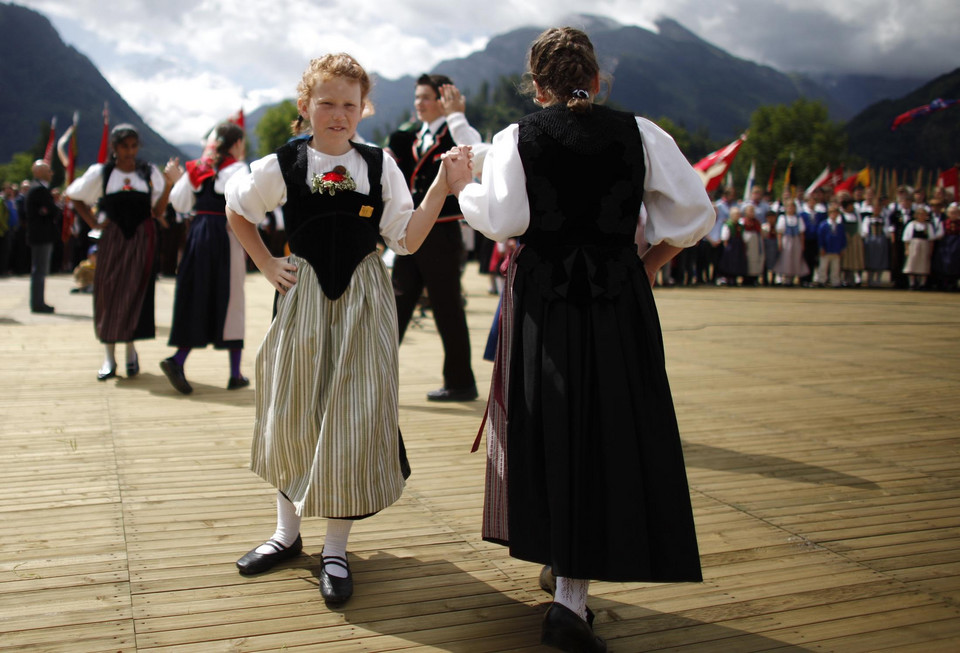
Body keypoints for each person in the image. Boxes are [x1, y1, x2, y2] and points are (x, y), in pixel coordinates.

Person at [455, 27, 710, 653]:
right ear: (596, 81)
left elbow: (505, 220)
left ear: (536, 87)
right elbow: (696, 214)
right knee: (610, 426)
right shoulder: (641, 132)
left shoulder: (519, 136)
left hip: (547, 302)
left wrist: (466, 187)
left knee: (556, 427)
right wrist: (644, 265)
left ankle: (567, 595)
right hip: (619, 301)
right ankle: (568, 582)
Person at [223, 53, 473, 607]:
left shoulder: (379, 165)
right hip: (303, 299)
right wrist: (265, 263)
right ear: (306, 106)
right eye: (327, 103)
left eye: (349, 104)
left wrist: (440, 188)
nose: (338, 114)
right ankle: (287, 535)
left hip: (363, 303)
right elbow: (236, 210)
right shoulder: (283, 164)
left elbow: (405, 239)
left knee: (352, 420)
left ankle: (335, 549)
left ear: (364, 108)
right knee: (291, 412)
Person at [387, 74, 483, 401]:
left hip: (442, 230)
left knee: (447, 308)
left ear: (443, 100)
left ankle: (460, 382)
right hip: (413, 227)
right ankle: (376, 376)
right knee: (397, 305)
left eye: (426, 97)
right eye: (417, 97)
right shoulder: (408, 137)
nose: (419, 103)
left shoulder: (452, 133)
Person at [66, 124, 182, 380]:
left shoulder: (147, 171)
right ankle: (109, 358)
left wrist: (169, 186)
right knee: (108, 292)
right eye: (124, 146)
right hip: (113, 239)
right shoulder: (102, 173)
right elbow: (74, 196)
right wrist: (94, 223)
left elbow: (159, 211)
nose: (129, 151)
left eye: (133, 146)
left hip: (142, 238)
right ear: (114, 148)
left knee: (135, 291)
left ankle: (130, 351)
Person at [161, 121, 250, 394]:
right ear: (236, 144)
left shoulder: (197, 168)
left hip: (199, 233)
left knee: (196, 294)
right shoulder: (237, 168)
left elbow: (178, 202)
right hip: (227, 232)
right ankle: (234, 374)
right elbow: (246, 203)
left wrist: (181, 180)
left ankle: (178, 359)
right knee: (232, 298)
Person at [24, 160, 61, 313]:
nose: (51, 173)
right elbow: (53, 210)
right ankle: (38, 303)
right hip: (41, 236)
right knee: (39, 270)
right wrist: (51, 209)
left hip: (39, 235)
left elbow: (49, 210)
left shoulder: (37, 189)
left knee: (39, 270)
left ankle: (38, 302)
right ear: (39, 172)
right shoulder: (39, 190)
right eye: (48, 170)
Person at [773, 201, 809, 286]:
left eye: (792, 207)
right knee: (786, 258)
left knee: (795, 258)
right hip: (786, 239)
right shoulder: (782, 218)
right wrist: (779, 243)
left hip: (796, 240)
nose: (790, 209)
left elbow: (801, 233)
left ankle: (793, 277)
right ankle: (785, 278)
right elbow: (779, 233)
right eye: (789, 207)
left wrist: (802, 244)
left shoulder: (798, 218)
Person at [902, 206, 938, 290]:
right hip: (914, 245)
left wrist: (931, 250)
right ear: (916, 215)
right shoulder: (911, 224)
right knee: (912, 264)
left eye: (924, 214)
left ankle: (922, 283)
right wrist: (907, 249)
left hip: (924, 246)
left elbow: (931, 239)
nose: (922, 216)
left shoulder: (928, 226)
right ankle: (912, 283)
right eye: (920, 214)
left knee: (924, 264)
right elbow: (906, 239)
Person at [816, 203, 846, 288]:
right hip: (826, 249)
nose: (834, 215)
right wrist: (821, 247)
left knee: (835, 267)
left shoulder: (839, 226)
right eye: (832, 213)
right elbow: (820, 237)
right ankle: (822, 280)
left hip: (836, 249)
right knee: (823, 266)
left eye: (836, 213)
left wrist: (842, 248)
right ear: (829, 214)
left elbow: (843, 238)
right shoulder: (824, 225)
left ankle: (835, 281)